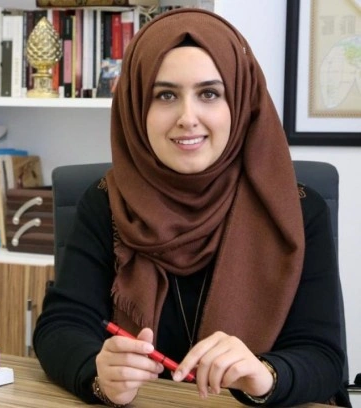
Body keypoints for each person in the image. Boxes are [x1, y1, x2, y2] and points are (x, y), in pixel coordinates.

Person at [33, 8, 349, 407]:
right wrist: (99, 373)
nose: (187, 117)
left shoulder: (298, 210)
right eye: (165, 95)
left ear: (240, 101)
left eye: (209, 94)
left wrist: (266, 374)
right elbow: (61, 326)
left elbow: (323, 356)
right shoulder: (107, 202)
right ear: (136, 106)